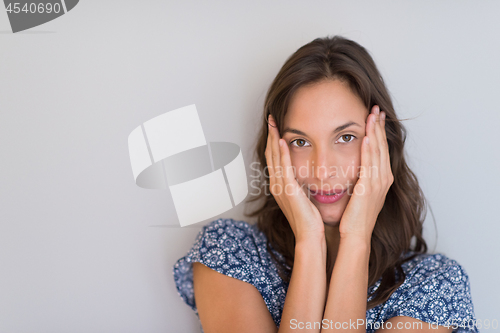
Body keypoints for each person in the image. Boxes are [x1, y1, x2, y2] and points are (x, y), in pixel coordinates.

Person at [173, 35, 479, 333]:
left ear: (382, 146)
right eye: (301, 142)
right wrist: (309, 243)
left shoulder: (432, 284)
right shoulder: (230, 251)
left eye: (345, 137)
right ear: (274, 152)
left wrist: (356, 238)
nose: (322, 170)